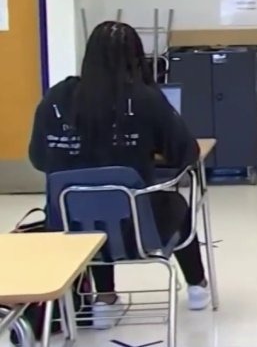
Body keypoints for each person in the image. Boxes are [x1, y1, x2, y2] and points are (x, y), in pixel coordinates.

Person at [28, 21, 211, 329]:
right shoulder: (144, 99)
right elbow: (187, 154)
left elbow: (38, 158)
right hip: (137, 228)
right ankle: (197, 287)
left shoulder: (56, 97)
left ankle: (105, 299)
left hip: (68, 228)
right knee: (177, 204)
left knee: (93, 208)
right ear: (136, 59)